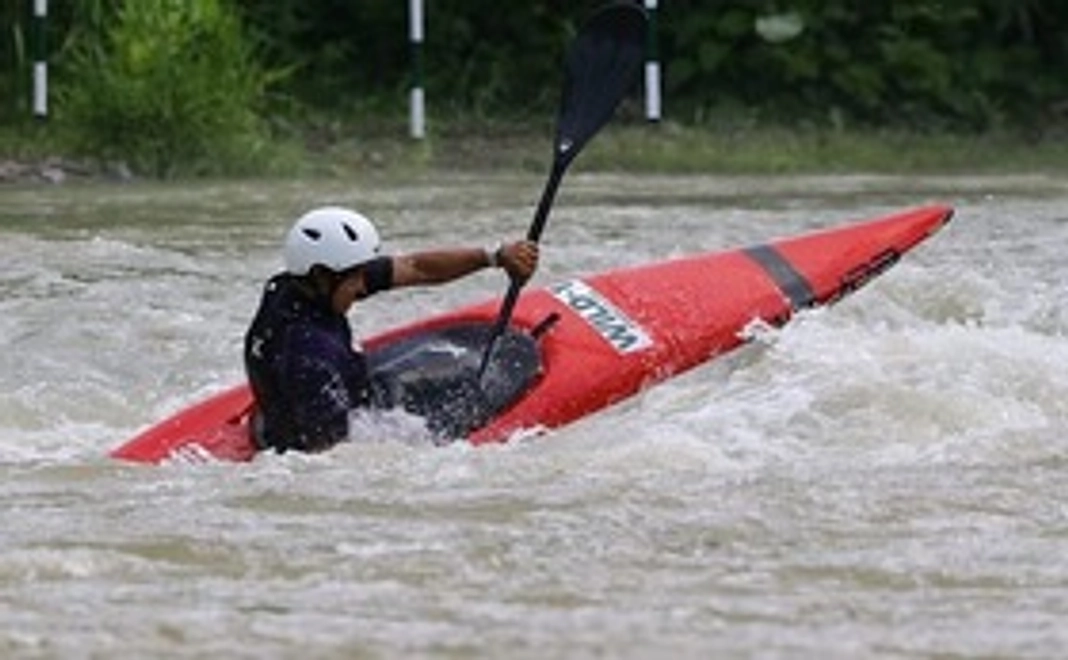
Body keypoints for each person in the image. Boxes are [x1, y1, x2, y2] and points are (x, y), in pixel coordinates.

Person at [244, 205, 539, 454]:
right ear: (322, 276)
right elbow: (332, 454)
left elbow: (416, 267)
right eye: (356, 279)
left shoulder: (302, 285)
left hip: (303, 404)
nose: (363, 286)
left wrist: (495, 258)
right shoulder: (308, 354)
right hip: (312, 430)